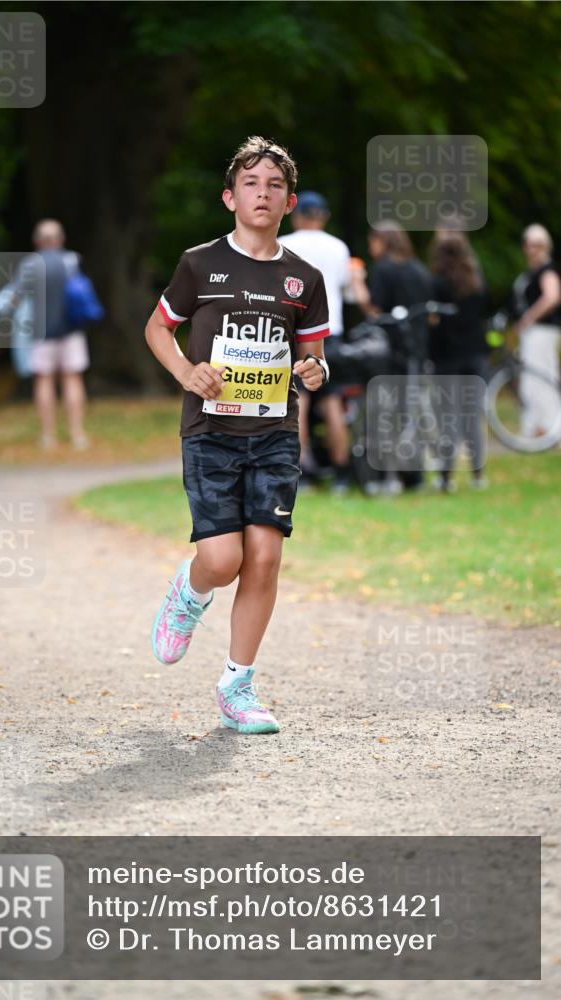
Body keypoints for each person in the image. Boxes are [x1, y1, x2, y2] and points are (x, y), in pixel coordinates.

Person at [144, 136, 330, 735]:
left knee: (267, 555)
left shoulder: (304, 278)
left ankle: (238, 685)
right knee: (223, 559)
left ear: (290, 201)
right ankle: (188, 595)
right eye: (251, 183)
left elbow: (316, 358)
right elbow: (157, 328)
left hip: (275, 430)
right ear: (230, 196)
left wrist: (314, 370)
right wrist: (186, 372)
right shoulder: (200, 264)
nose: (263, 193)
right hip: (211, 432)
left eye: (274, 185)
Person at [278, 192, 352, 494]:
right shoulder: (339, 247)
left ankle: (302, 473)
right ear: (324, 216)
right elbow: (347, 289)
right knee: (333, 403)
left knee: (299, 404)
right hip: (330, 331)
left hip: (296, 333)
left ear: (295, 215)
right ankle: (341, 474)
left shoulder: (285, 245)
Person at [3, 219, 91, 449]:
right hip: (72, 330)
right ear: (60, 239)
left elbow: (14, 297)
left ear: (37, 241)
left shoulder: (31, 264)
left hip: (41, 334)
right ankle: (77, 435)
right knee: (73, 379)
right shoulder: (72, 260)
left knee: (44, 380)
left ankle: (48, 436)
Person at [364, 221, 434, 493]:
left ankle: (387, 477)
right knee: (412, 414)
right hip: (418, 351)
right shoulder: (419, 269)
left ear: (383, 241)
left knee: (387, 414)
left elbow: (375, 311)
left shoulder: (383, 270)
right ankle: (414, 477)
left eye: (373, 242)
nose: (371, 248)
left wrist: (359, 289)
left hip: (391, 353)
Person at [428, 233, 490, 491]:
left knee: (448, 418)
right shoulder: (477, 283)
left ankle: (446, 477)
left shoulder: (438, 284)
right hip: (475, 356)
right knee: (471, 417)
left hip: (447, 358)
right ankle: (477, 474)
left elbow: (434, 322)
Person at [511, 224, 561, 438]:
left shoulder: (547, 270)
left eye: (537, 245)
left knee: (542, 378)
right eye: (529, 245)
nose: (532, 249)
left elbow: (552, 297)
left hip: (542, 331)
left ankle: (549, 429)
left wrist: (529, 318)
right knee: (530, 381)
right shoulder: (530, 272)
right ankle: (535, 428)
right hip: (531, 333)